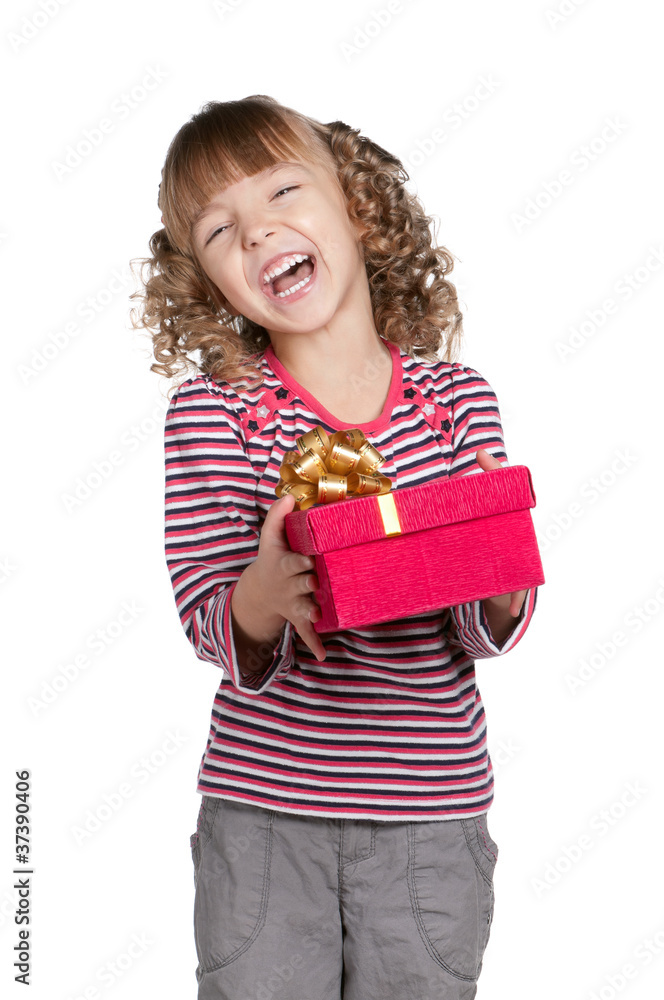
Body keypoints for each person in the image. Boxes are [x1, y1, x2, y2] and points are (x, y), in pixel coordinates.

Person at [130, 95, 538, 1000]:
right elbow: (208, 618)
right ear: (206, 282)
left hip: (432, 823)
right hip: (268, 821)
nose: (258, 230)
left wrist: (498, 564)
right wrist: (265, 592)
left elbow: (487, 627)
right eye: (219, 228)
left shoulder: (455, 401)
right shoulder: (217, 411)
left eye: (283, 190)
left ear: (356, 204)